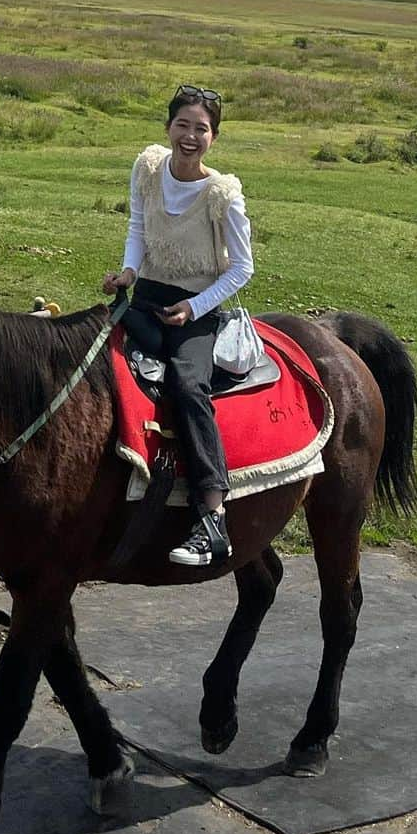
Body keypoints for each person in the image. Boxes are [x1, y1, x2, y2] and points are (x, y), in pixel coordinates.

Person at [103, 85, 254, 566]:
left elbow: (242, 268)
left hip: (198, 310)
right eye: (183, 125)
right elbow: (137, 229)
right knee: (94, 360)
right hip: (146, 296)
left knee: (189, 387)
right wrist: (128, 272)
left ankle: (212, 515)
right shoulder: (148, 168)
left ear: (215, 136)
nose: (190, 137)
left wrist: (195, 307)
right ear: (168, 127)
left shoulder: (222, 195)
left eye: (201, 129)